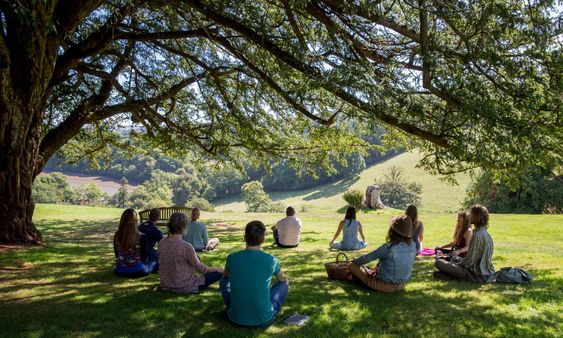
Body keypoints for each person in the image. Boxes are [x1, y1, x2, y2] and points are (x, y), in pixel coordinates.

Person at [220, 220, 289, 327]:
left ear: (244, 237)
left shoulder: (232, 257)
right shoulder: (271, 260)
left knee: (224, 280)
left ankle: (234, 306)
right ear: (263, 239)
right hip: (263, 319)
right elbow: (282, 279)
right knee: (284, 284)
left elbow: (226, 276)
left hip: (234, 317)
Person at [158, 212, 223, 293]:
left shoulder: (161, 243)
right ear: (184, 226)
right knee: (219, 273)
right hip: (185, 286)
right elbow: (202, 269)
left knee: (197, 258)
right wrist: (217, 269)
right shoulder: (186, 247)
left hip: (166, 285)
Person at [348, 215, 416, 292]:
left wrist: (354, 262)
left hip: (383, 285)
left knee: (351, 265)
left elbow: (367, 258)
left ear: (393, 231)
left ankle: (356, 278)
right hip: (401, 285)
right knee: (374, 266)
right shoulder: (413, 245)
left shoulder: (388, 247)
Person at [434, 205, 495, 283]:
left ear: (476, 217)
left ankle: (457, 277)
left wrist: (454, 264)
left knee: (438, 262)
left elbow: (468, 262)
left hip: (476, 274)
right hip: (485, 273)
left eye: (471, 214)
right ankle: (448, 275)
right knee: (438, 274)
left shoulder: (477, 235)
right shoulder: (486, 234)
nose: (469, 216)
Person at [113, 208, 154, 277]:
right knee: (154, 259)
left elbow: (117, 254)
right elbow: (145, 255)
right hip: (137, 270)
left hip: (119, 270)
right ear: (135, 220)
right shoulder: (142, 236)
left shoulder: (117, 235)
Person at [138, 208, 163, 272]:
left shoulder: (140, 226)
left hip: (137, 252)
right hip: (147, 253)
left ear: (149, 216)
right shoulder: (157, 231)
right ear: (159, 218)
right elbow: (162, 247)